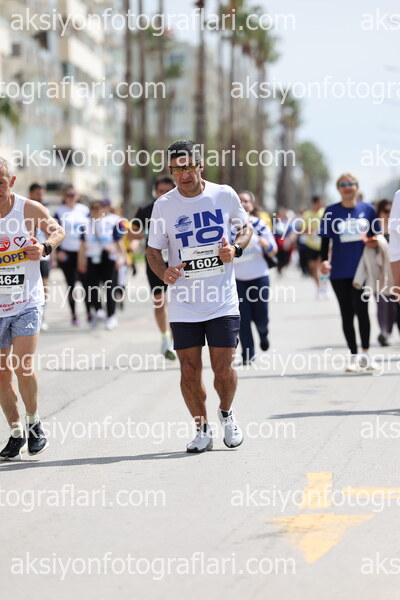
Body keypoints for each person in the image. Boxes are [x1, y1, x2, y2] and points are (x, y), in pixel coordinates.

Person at [147, 140, 252, 453]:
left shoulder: (224, 194)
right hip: (184, 303)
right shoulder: (164, 205)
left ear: (200, 165)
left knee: (223, 369)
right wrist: (163, 272)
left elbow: (245, 228)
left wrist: (236, 249)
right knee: (189, 371)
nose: (183, 174)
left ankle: (227, 414)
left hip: (222, 300)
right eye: (176, 169)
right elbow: (153, 251)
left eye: (188, 166)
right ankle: (201, 427)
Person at [0, 158, 65, 460]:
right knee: (2, 374)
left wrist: (44, 247)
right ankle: (16, 433)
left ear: (11, 181)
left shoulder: (28, 209)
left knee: (23, 365)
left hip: (26, 301)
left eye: (0, 182)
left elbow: (57, 230)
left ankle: (34, 422)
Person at [320, 173, 379, 372]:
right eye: (343, 184)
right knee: (346, 313)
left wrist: (371, 241)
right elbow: (325, 239)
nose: (347, 187)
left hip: (362, 270)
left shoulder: (368, 210)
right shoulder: (331, 211)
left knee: (362, 311)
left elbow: (377, 236)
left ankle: (366, 355)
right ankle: (353, 356)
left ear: (357, 187)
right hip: (339, 271)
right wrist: (324, 260)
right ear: (338, 189)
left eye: (351, 183)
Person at [129, 175, 177, 360]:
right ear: (155, 192)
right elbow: (132, 234)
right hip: (155, 261)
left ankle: (173, 340)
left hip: (176, 260)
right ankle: (165, 337)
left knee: (176, 302)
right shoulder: (146, 210)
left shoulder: (180, 206)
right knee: (159, 302)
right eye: (160, 191)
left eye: (167, 191)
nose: (163, 194)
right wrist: (146, 232)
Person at [235, 191, 277, 364]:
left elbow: (273, 250)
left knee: (261, 316)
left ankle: (263, 332)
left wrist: (260, 240)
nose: (242, 204)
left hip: (259, 277)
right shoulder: (227, 225)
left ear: (252, 205)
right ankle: (248, 354)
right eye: (239, 201)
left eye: (246, 201)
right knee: (242, 318)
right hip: (237, 280)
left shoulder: (259, 224)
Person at [78, 200, 127, 330]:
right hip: (92, 258)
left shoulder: (111, 222)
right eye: (93, 208)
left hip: (108, 259)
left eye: (98, 207)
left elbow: (118, 242)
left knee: (110, 288)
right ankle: (99, 310)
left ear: (103, 209)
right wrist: (81, 261)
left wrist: (122, 258)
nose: (96, 210)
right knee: (92, 287)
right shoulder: (85, 224)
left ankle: (111, 316)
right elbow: (82, 245)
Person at [54, 185, 90, 326]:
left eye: (73, 195)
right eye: (68, 195)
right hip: (67, 252)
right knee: (71, 285)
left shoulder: (84, 210)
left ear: (77, 196)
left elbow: (91, 229)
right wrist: (58, 250)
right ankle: (74, 314)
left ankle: (89, 312)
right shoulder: (59, 211)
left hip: (82, 252)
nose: (71, 197)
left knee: (86, 283)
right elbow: (54, 232)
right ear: (64, 197)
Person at [374, 199, 400, 346]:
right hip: (381, 270)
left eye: (390, 211)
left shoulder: (396, 226)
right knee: (383, 302)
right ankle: (385, 331)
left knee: (396, 304)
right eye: (386, 211)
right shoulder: (375, 227)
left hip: (395, 270)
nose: (388, 214)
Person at [28, 183, 53, 330]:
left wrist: (50, 253)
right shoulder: (23, 209)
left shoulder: (45, 211)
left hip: (43, 255)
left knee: (44, 286)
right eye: (38, 193)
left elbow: (52, 233)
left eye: (42, 193)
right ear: (31, 193)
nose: (41, 196)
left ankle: (42, 315)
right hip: (26, 256)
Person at [302, 196, 326, 297]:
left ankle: (324, 286)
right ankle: (319, 287)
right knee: (313, 268)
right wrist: (310, 231)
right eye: (319, 203)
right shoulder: (307, 214)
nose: (321, 205)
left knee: (322, 267)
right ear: (314, 203)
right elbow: (302, 230)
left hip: (323, 245)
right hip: (311, 245)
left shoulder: (324, 212)